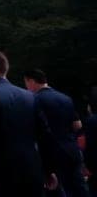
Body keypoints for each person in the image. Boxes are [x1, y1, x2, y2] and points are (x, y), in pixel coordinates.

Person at [0, 50, 54, 197]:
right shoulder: (29, 96)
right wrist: (48, 169)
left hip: (1, 169)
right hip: (31, 165)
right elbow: (44, 135)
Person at [24, 69, 87, 197]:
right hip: (71, 148)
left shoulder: (34, 100)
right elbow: (77, 125)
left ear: (31, 81)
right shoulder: (65, 98)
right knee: (78, 187)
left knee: (54, 188)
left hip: (51, 151)